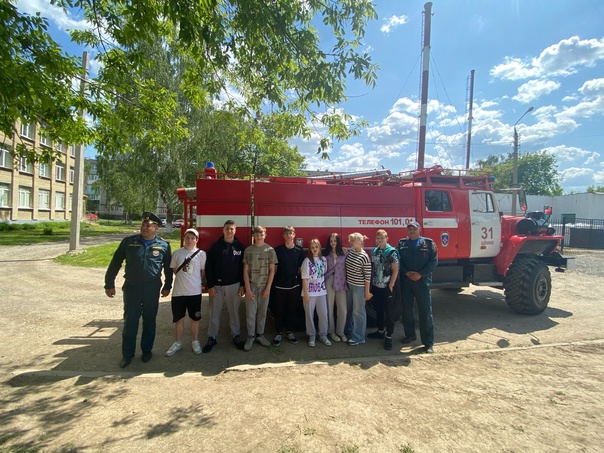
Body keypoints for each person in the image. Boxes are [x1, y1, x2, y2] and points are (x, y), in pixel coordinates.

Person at [104, 212, 173, 368]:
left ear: (156, 228)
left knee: (149, 320)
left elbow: (168, 268)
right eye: (143, 224)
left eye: (148, 225)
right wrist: (109, 283)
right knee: (130, 321)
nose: (144, 227)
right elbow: (115, 263)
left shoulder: (163, 245)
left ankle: (147, 350)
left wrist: (168, 286)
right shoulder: (129, 242)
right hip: (132, 288)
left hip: (152, 288)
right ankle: (127, 354)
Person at [202, 220, 246, 353]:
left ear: (235, 230)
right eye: (227, 229)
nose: (229, 231)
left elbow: (243, 268)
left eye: (232, 229)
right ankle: (212, 337)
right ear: (223, 230)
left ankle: (236, 335)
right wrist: (209, 286)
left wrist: (242, 285)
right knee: (214, 313)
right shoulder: (215, 247)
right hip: (216, 286)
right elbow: (209, 267)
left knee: (234, 312)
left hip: (234, 285)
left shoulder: (240, 247)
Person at [397, 221, 438, 353]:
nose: (412, 231)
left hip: (422, 281)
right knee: (407, 310)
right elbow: (397, 260)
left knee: (425, 312)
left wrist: (421, 274)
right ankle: (410, 335)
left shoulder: (429, 243)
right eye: (409, 229)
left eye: (414, 229)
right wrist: (405, 272)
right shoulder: (401, 244)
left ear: (419, 229)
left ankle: (428, 343)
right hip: (407, 281)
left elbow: (434, 261)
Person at [165, 228, 206, 357]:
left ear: (197, 240)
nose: (189, 240)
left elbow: (202, 272)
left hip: (194, 292)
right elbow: (175, 270)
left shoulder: (201, 254)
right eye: (187, 237)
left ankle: (195, 341)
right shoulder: (177, 253)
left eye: (193, 238)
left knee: (195, 319)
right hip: (179, 293)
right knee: (179, 319)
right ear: (184, 238)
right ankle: (178, 342)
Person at [242, 225, 277, 351]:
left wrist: (268, 288)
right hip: (252, 285)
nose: (259, 236)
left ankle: (260, 335)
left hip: (264, 286)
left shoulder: (270, 250)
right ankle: (250, 337)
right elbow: (245, 271)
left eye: (261, 234)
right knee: (250, 313)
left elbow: (272, 270)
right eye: (257, 234)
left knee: (262, 313)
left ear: (265, 235)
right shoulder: (248, 251)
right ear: (254, 236)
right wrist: (248, 288)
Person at [271, 226, 305, 346]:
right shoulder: (278, 250)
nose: (289, 235)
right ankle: (279, 333)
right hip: (280, 286)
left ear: (294, 235)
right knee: (278, 310)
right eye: (286, 234)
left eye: (291, 233)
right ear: (283, 236)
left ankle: (290, 332)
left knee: (292, 310)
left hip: (294, 286)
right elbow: (274, 269)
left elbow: (301, 269)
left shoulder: (299, 250)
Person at [367, 229, 399, 350]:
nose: (380, 240)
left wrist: (391, 285)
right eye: (378, 238)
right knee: (379, 310)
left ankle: (389, 336)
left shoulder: (392, 252)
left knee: (389, 312)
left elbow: (395, 270)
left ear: (387, 238)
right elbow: (374, 267)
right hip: (376, 286)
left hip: (386, 287)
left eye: (382, 238)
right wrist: (371, 284)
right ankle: (380, 331)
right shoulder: (375, 251)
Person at [301, 238, 331, 347]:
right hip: (309, 293)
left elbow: (324, 273)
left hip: (321, 292)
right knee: (309, 315)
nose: (314, 249)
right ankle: (311, 336)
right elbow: (304, 278)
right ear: (310, 249)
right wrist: (306, 294)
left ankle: (323, 335)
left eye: (316, 247)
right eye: (312, 247)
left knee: (323, 314)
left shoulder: (323, 260)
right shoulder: (306, 261)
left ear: (319, 248)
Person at [345, 232, 372, 346]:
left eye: (352, 240)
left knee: (358, 312)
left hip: (359, 287)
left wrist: (366, 292)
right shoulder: (351, 253)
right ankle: (349, 331)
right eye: (350, 240)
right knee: (350, 310)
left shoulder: (364, 257)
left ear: (360, 242)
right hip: (350, 285)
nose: (350, 242)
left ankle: (359, 338)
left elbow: (367, 277)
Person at [323, 233, 348, 343]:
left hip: (341, 282)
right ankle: (331, 332)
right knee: (329, 307)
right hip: (329, 281)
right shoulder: (325, 254)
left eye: (335, 241)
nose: (333, 243)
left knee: (343, 309)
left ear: (338, 242)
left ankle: (340, 332)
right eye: (331, 241)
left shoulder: (344, 253)